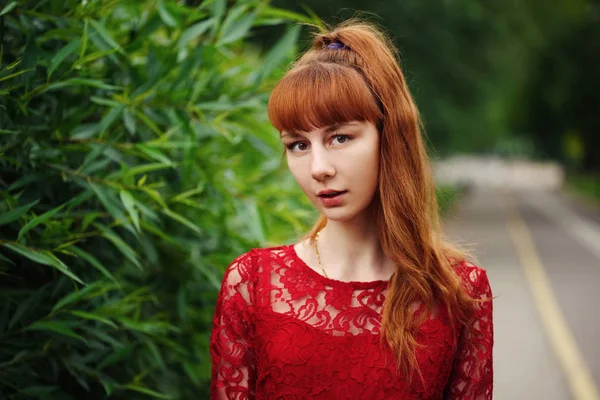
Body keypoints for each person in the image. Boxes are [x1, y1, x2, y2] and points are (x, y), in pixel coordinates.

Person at [210, 19, 493, 400]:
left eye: (339, 137)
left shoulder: (457, 292)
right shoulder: (252, 285)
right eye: (297, 145)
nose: (318, 168)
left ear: (388, 136)